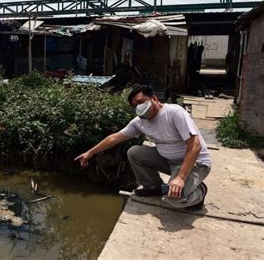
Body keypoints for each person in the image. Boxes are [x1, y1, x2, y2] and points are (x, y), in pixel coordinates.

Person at [75, 84, 211, 210]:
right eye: (135, 105)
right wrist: (90, 152)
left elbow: (195, 146)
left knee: (174, 199)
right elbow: (115, 137)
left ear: (154, 98)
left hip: (195, 163)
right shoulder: (139, 122)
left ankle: (200, 191)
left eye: (141, 102)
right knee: (134, 152)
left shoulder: (174, 113)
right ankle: (153, 187)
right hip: (168, 161)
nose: (139, 107)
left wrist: (180, 178)